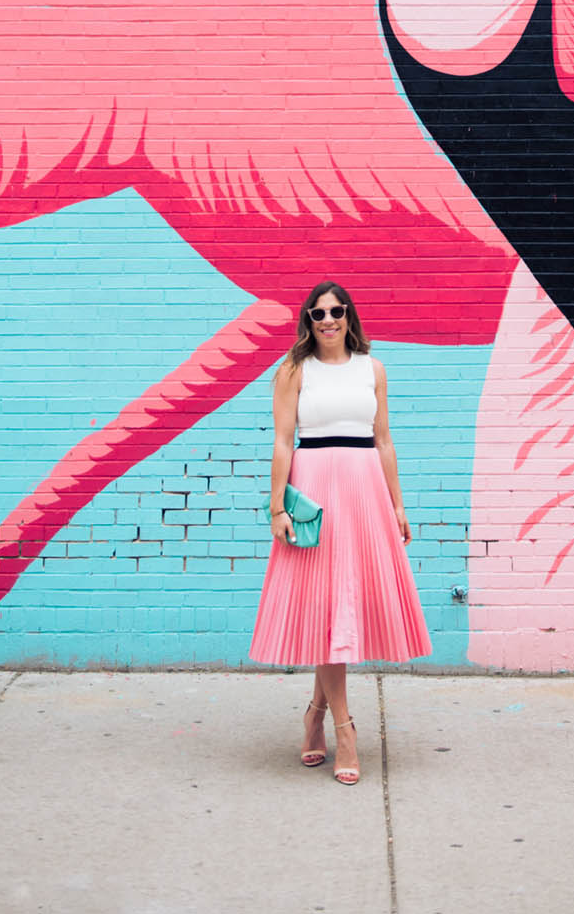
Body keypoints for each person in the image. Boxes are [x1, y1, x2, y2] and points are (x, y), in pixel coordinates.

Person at [249, 281, 431, 784]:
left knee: (342, 609)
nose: (327, 320)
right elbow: (283, 443)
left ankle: (314, 716)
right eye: (317, 314)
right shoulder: (293, 371)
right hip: (316, 494)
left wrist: (397, 505)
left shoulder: (372, 369)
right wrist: (276, 508)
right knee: (330, 611)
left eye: (336, 311)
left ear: (350, 316)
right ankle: (344, 728)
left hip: (364, 492)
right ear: (307, 321)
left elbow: (384, 440)